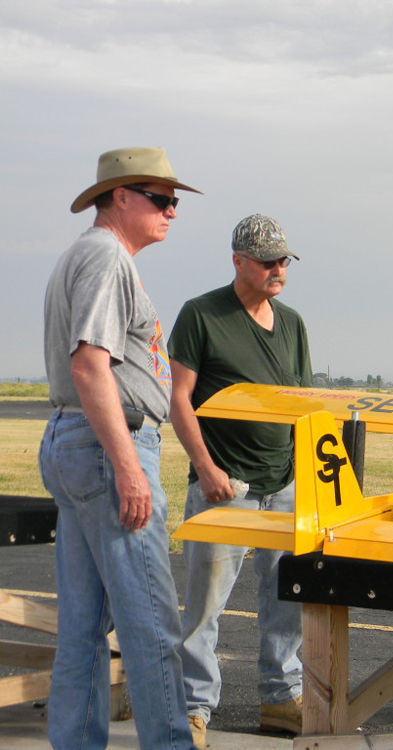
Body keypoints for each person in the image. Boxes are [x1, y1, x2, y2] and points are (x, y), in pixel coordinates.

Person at [39, 146, 201, 749]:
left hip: (74, 441)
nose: (172, 211)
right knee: (150, 621)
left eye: (174, 201)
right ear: (121, 197)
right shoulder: (108, 257)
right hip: (110, 445)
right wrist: (129, 468)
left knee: (82, 627)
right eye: (162, 199)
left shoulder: (82, 254)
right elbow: (90, 366)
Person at [168, 214, 312, 747]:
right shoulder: (202, 315)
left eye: (284, 261)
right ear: (238, 261)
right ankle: (194, 709)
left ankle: (281, 697)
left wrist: (308, 481)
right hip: (225, 486)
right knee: (205, 603)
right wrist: (207, 470)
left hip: (286, 485)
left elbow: (303, 406)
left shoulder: (293, 323)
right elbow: (179, 398)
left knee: (288, 598)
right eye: (269, 261)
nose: (279, 269)